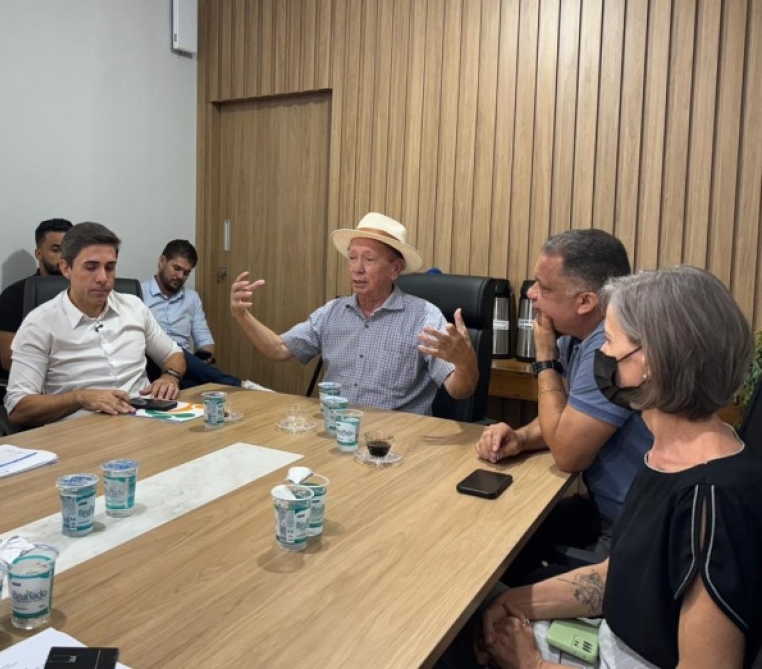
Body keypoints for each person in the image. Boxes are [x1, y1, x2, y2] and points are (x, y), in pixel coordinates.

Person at [476, 266, 762, 668]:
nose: (604, 355)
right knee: (470, 614)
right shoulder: (666, 456)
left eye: (610, 341)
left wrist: (532, 664)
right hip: (608, 641)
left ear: (652, 360)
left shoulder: (711, 499)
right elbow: (622, 575)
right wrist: (513, 601)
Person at [475, 230, 652, 583]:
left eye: (544, 288)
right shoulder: (579, 337)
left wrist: (544, 358)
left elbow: (569, 455)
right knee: (492, 536)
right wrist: (521, 437)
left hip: (635, 529)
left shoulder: (609, 350)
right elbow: (569, 418)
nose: (531, 294)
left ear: (585, 302)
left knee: (496, 580)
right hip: (603, 508)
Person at [230, 212, 478, 413]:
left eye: (369, 260)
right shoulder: (332, 312)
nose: (357, 269)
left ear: (395, 269)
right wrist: (243, 316)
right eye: (352, 257)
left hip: (395, 441)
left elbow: (460, 390)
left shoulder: (424, 316)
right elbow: (278, 349)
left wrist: (465, 363)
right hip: (336, 432)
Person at [5, 222, 186, 426]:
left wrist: (170, 377)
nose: (103, 278)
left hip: (143, 422)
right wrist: (79, 398)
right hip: (80, 431)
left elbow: (174, 354)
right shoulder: (39, 323)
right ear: (66, 268)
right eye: (91, 267)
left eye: (110, 267)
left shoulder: (134, 307)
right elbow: (18, 408)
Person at [142, 239, 259, 390]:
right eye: (176, 268)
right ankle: (241, 385)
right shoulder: (138, 294)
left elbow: (205, 341)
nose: (180, 276)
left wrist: (203, 359)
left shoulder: (192, 298)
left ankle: (243, 391)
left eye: (186, 273)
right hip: (153, 364)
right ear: (162, 261)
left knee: (208, 392)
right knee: (172, 348)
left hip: (185, 368)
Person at [0, 217, 72, 369]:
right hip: (40, 378)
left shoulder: (86, 291)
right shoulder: (15, 295)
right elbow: (9, 359)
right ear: (39, 253)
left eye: (69, 250)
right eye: (56, 250)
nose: (64, 257)